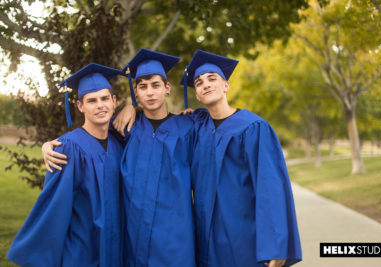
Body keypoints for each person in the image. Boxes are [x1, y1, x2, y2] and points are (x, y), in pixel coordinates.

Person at [42, 49, 196, 267]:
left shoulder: (190, 127)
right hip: (133, 234)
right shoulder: (125, 129)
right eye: (143, 87)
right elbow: (90, 137)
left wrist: (133, 107)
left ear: (167, 88)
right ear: (136, 92)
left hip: (176, 234)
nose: (150, 92)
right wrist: (48, 145)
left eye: (156, 85)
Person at [182, 50, 302, 267]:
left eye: (212, 78)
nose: (206, 84)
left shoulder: (253, 127)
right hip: (205, 239)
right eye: (199, 83)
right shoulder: (197, 127)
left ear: (226, 85)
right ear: (197, 94)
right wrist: (134, 109)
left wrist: (276, 246)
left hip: (243, 236)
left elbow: (270, 188)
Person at [7, 63, 124, 266]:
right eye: (92, 100)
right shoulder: (67, 148)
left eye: (105, 98)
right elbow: (54, 206)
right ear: (80, 106)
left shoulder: (120, 143)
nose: (100, 105)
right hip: (83, 250)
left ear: (114, 102)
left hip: (117, 248)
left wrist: (134, 107)